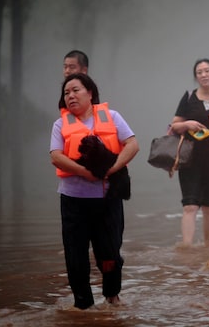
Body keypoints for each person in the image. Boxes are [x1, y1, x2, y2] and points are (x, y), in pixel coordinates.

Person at [49, 73, 139, 309]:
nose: (70, 96)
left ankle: (112, 295)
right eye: (66, 93)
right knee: (75, 256)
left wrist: (113, 168)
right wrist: (84, 172)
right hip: (73, 202)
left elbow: (133, 144)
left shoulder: (112, 117)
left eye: (75, 90)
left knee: (109, 254)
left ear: (90, 93)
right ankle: (83, 306)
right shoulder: (60, 124)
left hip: (107, 200)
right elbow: (56, 156)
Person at [169, 59, 209, 248]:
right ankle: (187, 248)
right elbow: (174, 125)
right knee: (190, 205)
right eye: (199, 72)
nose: (204, 75)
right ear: (196, 76)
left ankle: (208, 248)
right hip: (190, 159)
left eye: (207, 71)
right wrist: (186, 124)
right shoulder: (189, 97)